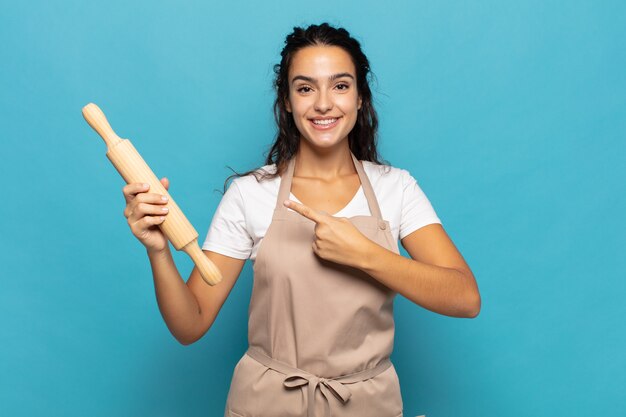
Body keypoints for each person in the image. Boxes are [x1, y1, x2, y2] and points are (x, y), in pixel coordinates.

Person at [121, 22, 480, 417]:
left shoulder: (396, 188)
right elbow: (191, 324)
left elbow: (464, 297)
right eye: (306, 88)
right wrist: (158, 251)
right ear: (287, 101)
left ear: (361, 98)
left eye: (340, 86)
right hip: (266, 403)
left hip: (367, 405)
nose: (324, 103)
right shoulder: (250, 193)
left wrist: (366, 254)